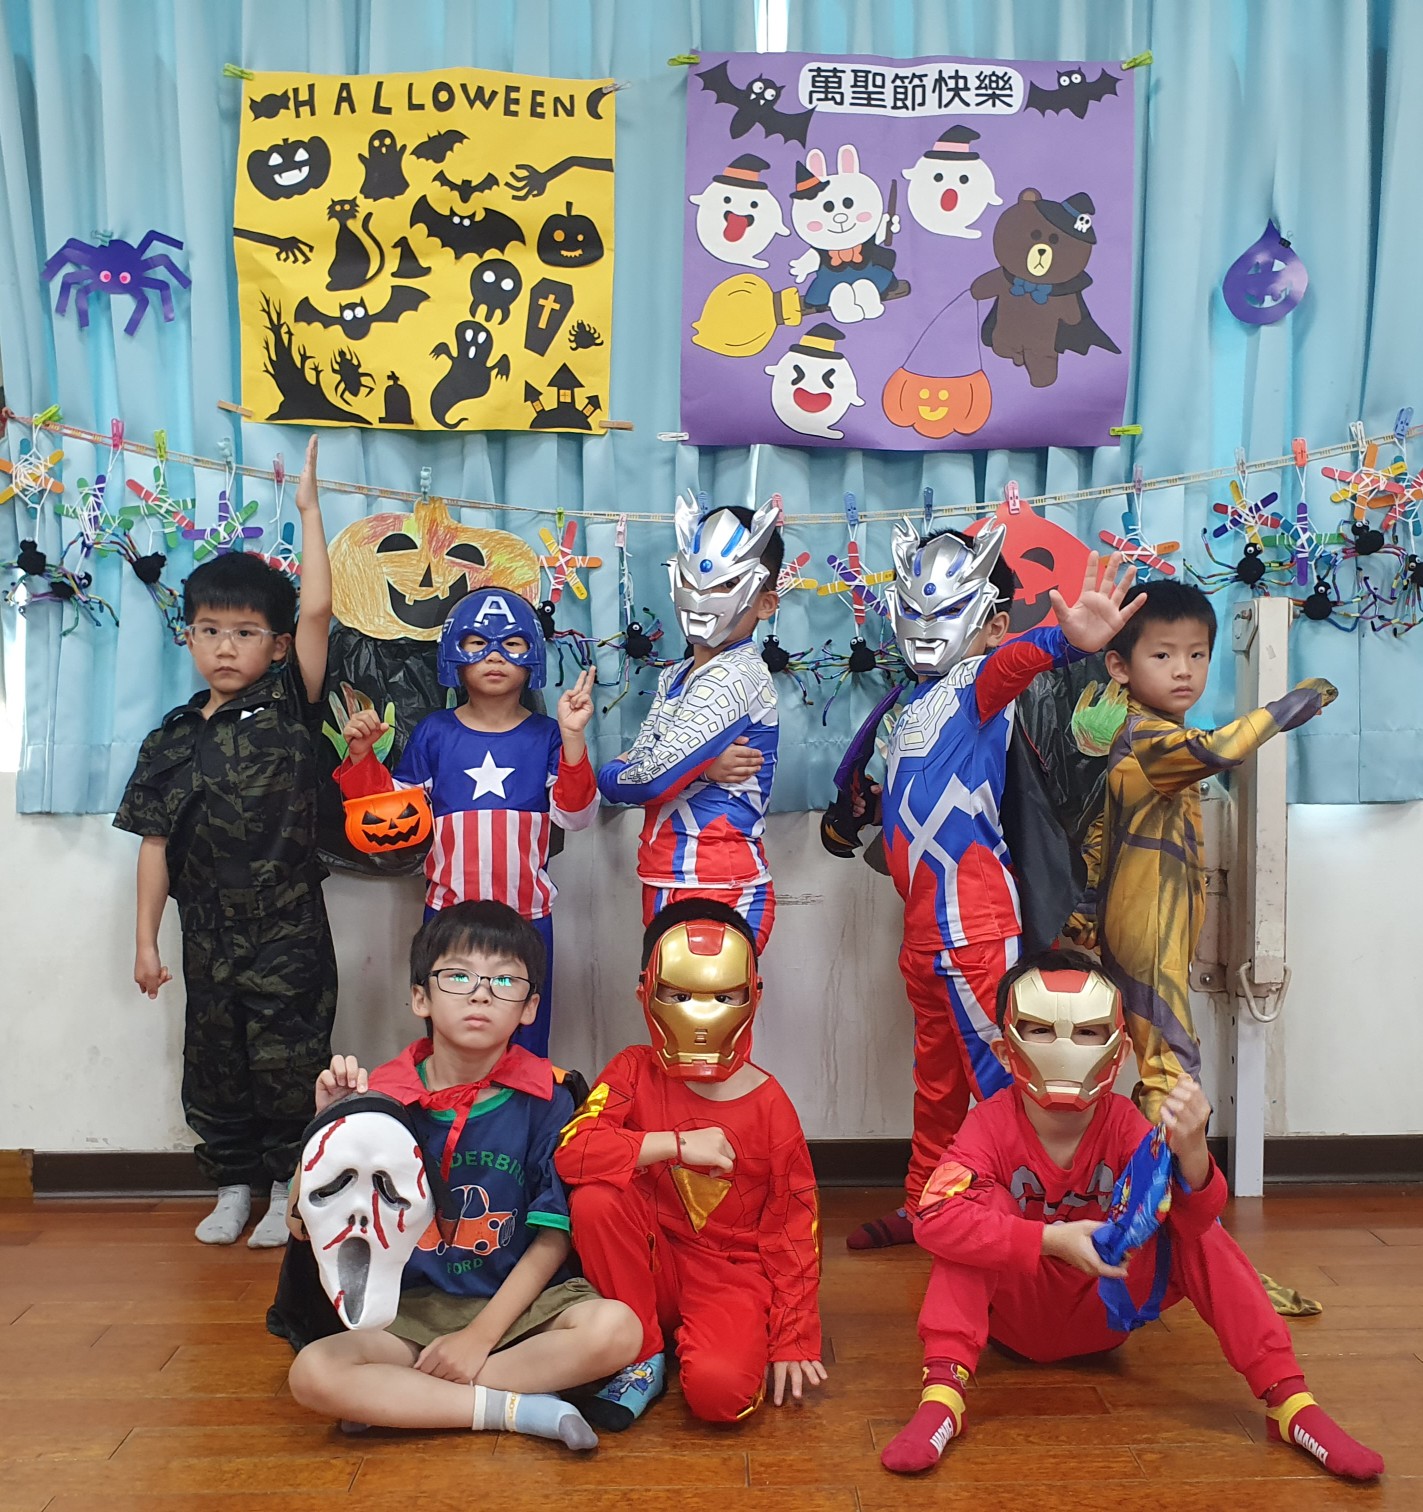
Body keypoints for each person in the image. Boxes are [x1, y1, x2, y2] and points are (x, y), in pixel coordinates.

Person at [881, 949, 1384, 1483]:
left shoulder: (1123, 1123)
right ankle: (943, 1398)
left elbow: (1195, 1223)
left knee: (1196, 1232)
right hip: (1014, 1315)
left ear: (1117, 1053)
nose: (1065, 1049)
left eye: (1087, 1032)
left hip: (1105, 1307)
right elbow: (932, 1217)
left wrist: (1192, 1152)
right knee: (971, 1214)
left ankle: (1290, 1401)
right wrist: (1047, 1240)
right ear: (1006, 1051)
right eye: (1042, 1030)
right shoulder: (989, 1125)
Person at [826, 521, 1142, 1249]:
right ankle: (927, 1206)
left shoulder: (976, 685)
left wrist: (1066, 642)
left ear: (991, 622)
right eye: (916, 610)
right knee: (936, 1084)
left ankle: (1040, 1227)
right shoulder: (911, 705)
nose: (926, 627)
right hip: (922, 933)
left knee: (1004, 1082)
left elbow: (1015, 663)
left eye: (946, 611)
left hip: (973, 929)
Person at [285, 901, 642, 1449]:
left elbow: (553, 1237)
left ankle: (410, 1401)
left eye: (505, 980)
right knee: (313, 1372)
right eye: (458, 976)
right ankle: (518, 1409)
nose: (481, 994)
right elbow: (302, 1228)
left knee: (617, 1330)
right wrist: (325, 1130)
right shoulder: (384, 1097)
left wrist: (478, 1338)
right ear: (420, 997)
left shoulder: (549, 1098)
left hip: (521, 1307)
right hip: (410, 1311)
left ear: (529, 1008)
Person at [115, 437, 334, 1248]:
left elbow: (317, 610)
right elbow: (152, 843)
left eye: (245, 632)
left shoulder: (290, 704)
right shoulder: (169, 738)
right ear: (189, 638)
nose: (225, 646)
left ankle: (285, 1188)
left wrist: (309, 510)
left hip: (288, 930)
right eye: (209, 630)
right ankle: (234, 1184)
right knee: (215, 1064)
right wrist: (146, 941)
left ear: (275, 645)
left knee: (289, 1063)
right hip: (204, 933)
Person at [554, 899, 824, 1427]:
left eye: (723, 996)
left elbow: (795, 1229)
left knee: (721, 1396)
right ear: (647, 992)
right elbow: (573, 1153)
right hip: (646, 1262)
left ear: (752, 995)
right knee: (595, 1200)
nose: (700, 1015)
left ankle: (691, 1342)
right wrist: (672, 1145)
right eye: (678, 995)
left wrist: (792, 1335)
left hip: (730, 1276)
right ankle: (642, 1354)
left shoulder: (771, 1107)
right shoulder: (632, 1070)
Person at [1088, 579, 1336, 1121]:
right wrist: (1288, 707)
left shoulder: (1153, 732)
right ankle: (1166, 1175)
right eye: (1163, 655)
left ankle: (1159, 1169)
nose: (1184, 670)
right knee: (1173, 1070)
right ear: (1119, 666)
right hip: (1147, 923)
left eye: (1197, 654)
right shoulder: (1145, 738)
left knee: (1167, 1063)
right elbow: (1219, 748)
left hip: (1157, 919)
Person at [336, 588, 597, 1055]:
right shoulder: (434, 731)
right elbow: (390, 817)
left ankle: (524, 1105)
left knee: (526, 1040)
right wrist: (361, 759)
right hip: (447, 915)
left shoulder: (547, 735)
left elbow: (576, 817)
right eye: (478, 643)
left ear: (532, 656)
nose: (495, 656)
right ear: (454, 654)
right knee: (449, 1039)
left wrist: (573, 738)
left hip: (526, 918)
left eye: (511, 644)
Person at [597, 492, 782, 953]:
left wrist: (650, 770)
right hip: (668, 874)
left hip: (719, 882)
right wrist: (698, 766)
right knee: (661, 1001)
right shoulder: (677, 675)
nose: (704, 599)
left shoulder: (734, 674)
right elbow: (640, 771)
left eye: (725, 586)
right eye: (694, 582)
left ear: (765, 604)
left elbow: (647, 780)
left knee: (705, 1004)